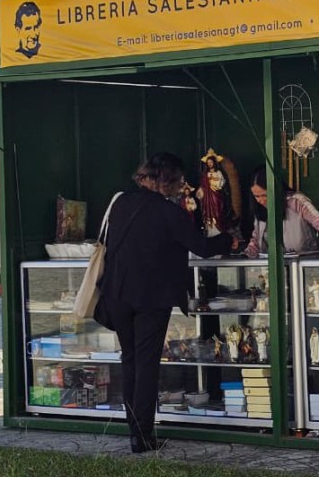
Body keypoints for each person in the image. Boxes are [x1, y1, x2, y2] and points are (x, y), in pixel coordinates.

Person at [98, 152, 232, 453]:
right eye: (179, 182)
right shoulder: (169, 213)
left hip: (117, 294)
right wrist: (230, 238)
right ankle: (143, 436)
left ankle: (135, 430)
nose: (181, 187)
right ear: (169, 182)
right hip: (150, 298)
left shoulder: (121, 203)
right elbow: (203, 247)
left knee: (130, 360)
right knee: (146, 365)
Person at [243, 165, 319, 257]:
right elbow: (256, 241)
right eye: (256, 196)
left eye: (265, 195)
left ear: (275, 189)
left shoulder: (296, 201)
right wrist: (246, 255)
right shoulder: (259, 210)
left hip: (303, 267)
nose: (261, 200)